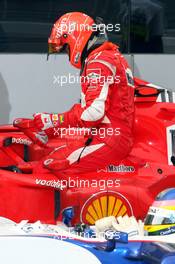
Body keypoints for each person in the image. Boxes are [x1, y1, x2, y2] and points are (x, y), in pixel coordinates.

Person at [33, 12, 135, 175]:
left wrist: (53, 120)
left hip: (109, 140)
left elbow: (93, 114)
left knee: (44, 171)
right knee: (47, 158)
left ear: (74, 37)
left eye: (65, 48)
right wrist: (53, 128)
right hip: (106, 136)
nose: (67, 53)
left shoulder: (98, 61)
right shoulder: (107, 55)